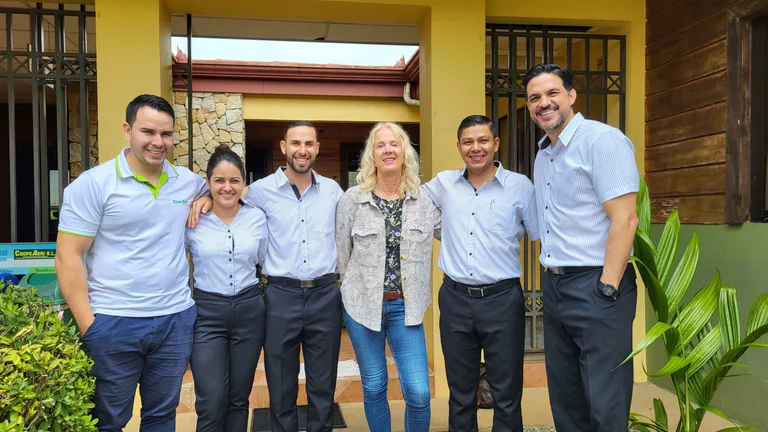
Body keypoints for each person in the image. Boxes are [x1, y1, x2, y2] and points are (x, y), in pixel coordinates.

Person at [55, 94, 207, 431]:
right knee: (107, 419)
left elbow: (221, 189)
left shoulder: (188, 182)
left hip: (174, 320)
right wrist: (88, 325)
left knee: (161, 415)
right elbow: (69, 255)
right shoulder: (94, 185)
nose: (158, 142)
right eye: (148, 131)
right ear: (127, 130)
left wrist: (209, 195)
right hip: (113, 321)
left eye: (166, 134)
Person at [189, 121, 344, 432]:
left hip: (325, 296)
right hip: (280, 297)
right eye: (296, 143)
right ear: (283, 147)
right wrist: (207, 196)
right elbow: (228, 193)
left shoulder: (333, 191)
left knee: (323, 386)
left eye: (309, 144)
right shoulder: (259, 192)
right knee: (281, 385)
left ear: (317, 148)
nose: (303, 150)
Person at [523, 63, 640, 432]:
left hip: (597, 285)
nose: (544, 103)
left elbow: (625, 220)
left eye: (552, 93)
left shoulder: (602, 141)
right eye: (534, 98)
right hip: (555, 287)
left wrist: (607, 286)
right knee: (567, 399)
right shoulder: (544, 156)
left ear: (571, 96)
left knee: (606, 401)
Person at [422, 115, 539, 432]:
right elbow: (410, 205)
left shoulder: (520, 187)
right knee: (460, 393)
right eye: (468, 142)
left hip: (503, 300)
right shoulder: (443, 184)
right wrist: (445, 232)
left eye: (483, 140)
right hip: (456, 300)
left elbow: (540, 232)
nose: (476, 148)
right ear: (459, 147)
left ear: (496, 143)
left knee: (506, 393)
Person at [336, 122, 440, 432]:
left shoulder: (424, 200)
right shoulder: (353, 200)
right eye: (380, 145)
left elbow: (452, 234)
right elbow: (343, 253)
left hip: (405, 309)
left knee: (419, 392)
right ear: (372, 155)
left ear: (405, 153)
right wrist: (351, 290)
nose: (388, 150)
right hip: (362, 307)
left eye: (394, 144)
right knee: (374, 385)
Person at [186, 144, 268, 431]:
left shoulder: (257, 218)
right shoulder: (192, 219)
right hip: (207, 314)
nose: (227, 187)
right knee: (211, 401)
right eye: (219, 180)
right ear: (208, 183)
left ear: (244, 183)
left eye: (234, 180)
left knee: (238, 399)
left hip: (249, 311)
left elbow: (265, 259)